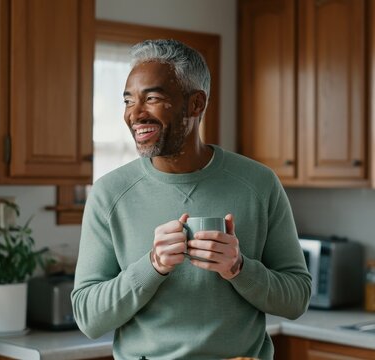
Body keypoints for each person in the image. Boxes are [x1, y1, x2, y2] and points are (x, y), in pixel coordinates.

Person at [71, 39, 311, 359]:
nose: (135, 114)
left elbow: (297, 300)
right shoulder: (108, 193)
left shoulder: (259, 184)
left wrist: (239, 268)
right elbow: (88, 318)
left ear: (196, 104)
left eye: (152, 98)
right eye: (128, 101)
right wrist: (152, 265)